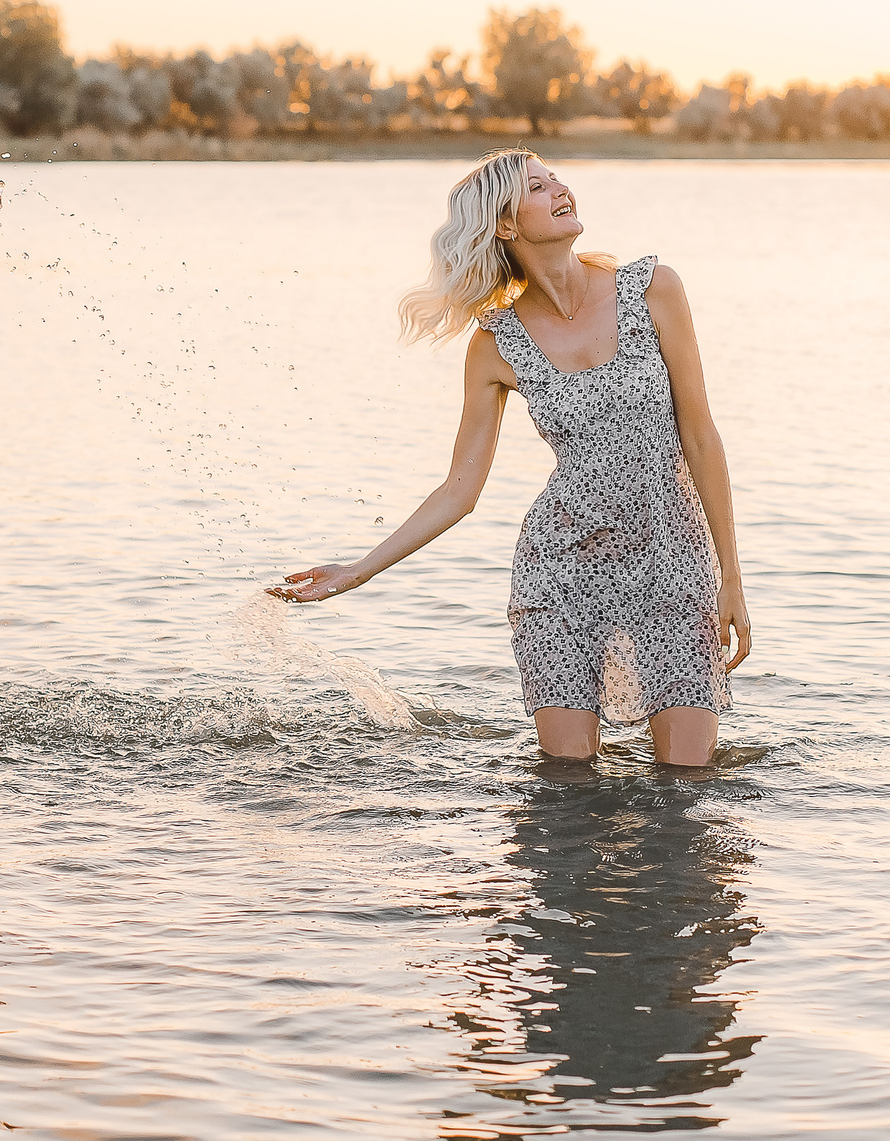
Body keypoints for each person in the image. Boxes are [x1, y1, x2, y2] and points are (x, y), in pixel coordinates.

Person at [270, 150, 751, 767]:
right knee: (568, 781)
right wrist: (359, 571)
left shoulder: (654, 290)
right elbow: (459, 490)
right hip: (561, 570)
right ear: (504, 224)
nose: (561, 189)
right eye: (537, 188)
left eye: (556, 179)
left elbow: (701, 437)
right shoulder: (496, 344)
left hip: (672, 560)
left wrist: (731, 579)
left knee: (687, 776)